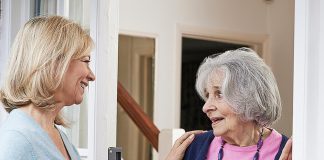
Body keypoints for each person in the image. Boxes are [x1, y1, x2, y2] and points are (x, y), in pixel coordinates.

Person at [166, 48, 291, 160]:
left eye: (219, 94)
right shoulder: (194, 147)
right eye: (207, 95)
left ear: (249, 96)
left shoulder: (290, 151)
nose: (205, 107)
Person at [0, 16, 95, 160]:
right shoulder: (16, 141)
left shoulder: (57, 135)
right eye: (85, 61)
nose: (92, 76)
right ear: (54, 62)